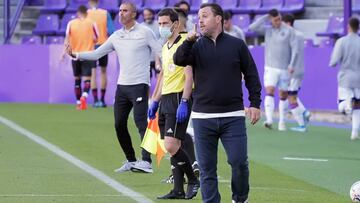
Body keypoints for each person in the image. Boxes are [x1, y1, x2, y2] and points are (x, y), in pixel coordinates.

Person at [174, 3, 262, 203]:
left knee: (239, 162)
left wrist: (255, 103)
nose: (200, 20)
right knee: (206, 169)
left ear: (218, 19)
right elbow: (179, 60)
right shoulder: (194, 45)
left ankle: (240, 198)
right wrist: (188, 40)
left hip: (233, 116)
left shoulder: (237, 45)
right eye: (199, 16)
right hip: (203, 117)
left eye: (205, 16)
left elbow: (251, 76)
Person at [66, 2, 162, 172]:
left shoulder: (145, 32)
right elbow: (97, 53)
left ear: (133, 14)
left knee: (141, 123)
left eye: (125, 11)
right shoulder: (116, 36)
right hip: (122, 86)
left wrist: (168, 65)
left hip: (139, 84)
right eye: (120, 11)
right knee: (119, 124)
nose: (121, 13)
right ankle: (131, 160)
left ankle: (146, 162)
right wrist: (76, 54)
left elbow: (160, 51)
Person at [148, 8, 200, 200]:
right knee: (173, 145)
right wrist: (155, 100)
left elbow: (189, 75)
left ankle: (193, 180)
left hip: (179, 97)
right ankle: (178, 189)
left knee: (171, 145)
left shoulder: (186, 43)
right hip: (166, 98)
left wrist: (185, 101)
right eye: (159, 24)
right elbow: (164, 76)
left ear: (175, 24)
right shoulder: (165, 45)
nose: (161, 27)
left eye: (165, 24)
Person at [249, 9, 297, 131]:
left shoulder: (289, 31)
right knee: (269, 91)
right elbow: (252, 27)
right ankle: (269, 120)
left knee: (283, 95)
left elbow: (295, 49)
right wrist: (266, 17)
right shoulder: (268, 30)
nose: (278, 21)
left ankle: (282, 121)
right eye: (275, 19)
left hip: (284, 68)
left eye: (279, 19)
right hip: (270, 67)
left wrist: (292, 64)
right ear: (271, 20)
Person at [329, 17, 360, 140]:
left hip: (345, 77)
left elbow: (334, 61)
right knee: (358, 106)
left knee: (342, 104)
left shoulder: (342, 41)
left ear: (348, 26)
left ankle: (348, 103)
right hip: (359, 78)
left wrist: (332, 63)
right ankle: (354, 132)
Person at [65, 5, 99, 110]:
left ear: (78, 13)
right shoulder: (92, 23)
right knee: (87, 80)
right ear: (86, 13)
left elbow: (67, 39)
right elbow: (97, 38)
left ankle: (78, 101)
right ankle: (84, 97)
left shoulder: (71, 23)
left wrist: (65, 52)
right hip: (87, 55)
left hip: (75, 55)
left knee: (77, 79)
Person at [282, 14, 311, 132]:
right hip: (300, 70)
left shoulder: (289, 35)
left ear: (288, 23)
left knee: (291, 98)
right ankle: (304, 113)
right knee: (293, 95)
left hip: (292, 70)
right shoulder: (300, 35)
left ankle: (302, 123)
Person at [87, 0, 115, 108]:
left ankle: (95, 100)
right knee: (103, 71)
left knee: (93, 72)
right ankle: (102, 100)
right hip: (103, 45)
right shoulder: (105, 13)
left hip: (90, 46)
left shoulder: (86, 14)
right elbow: (112, 30)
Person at [141, 8, 161, 78]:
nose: (147, 17)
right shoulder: (140, 27)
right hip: (146, 59)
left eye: (149, 14)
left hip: (159, 58)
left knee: (160, 78)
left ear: (153, 14)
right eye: (145, 15)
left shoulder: (159, 25)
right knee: (146, 81)